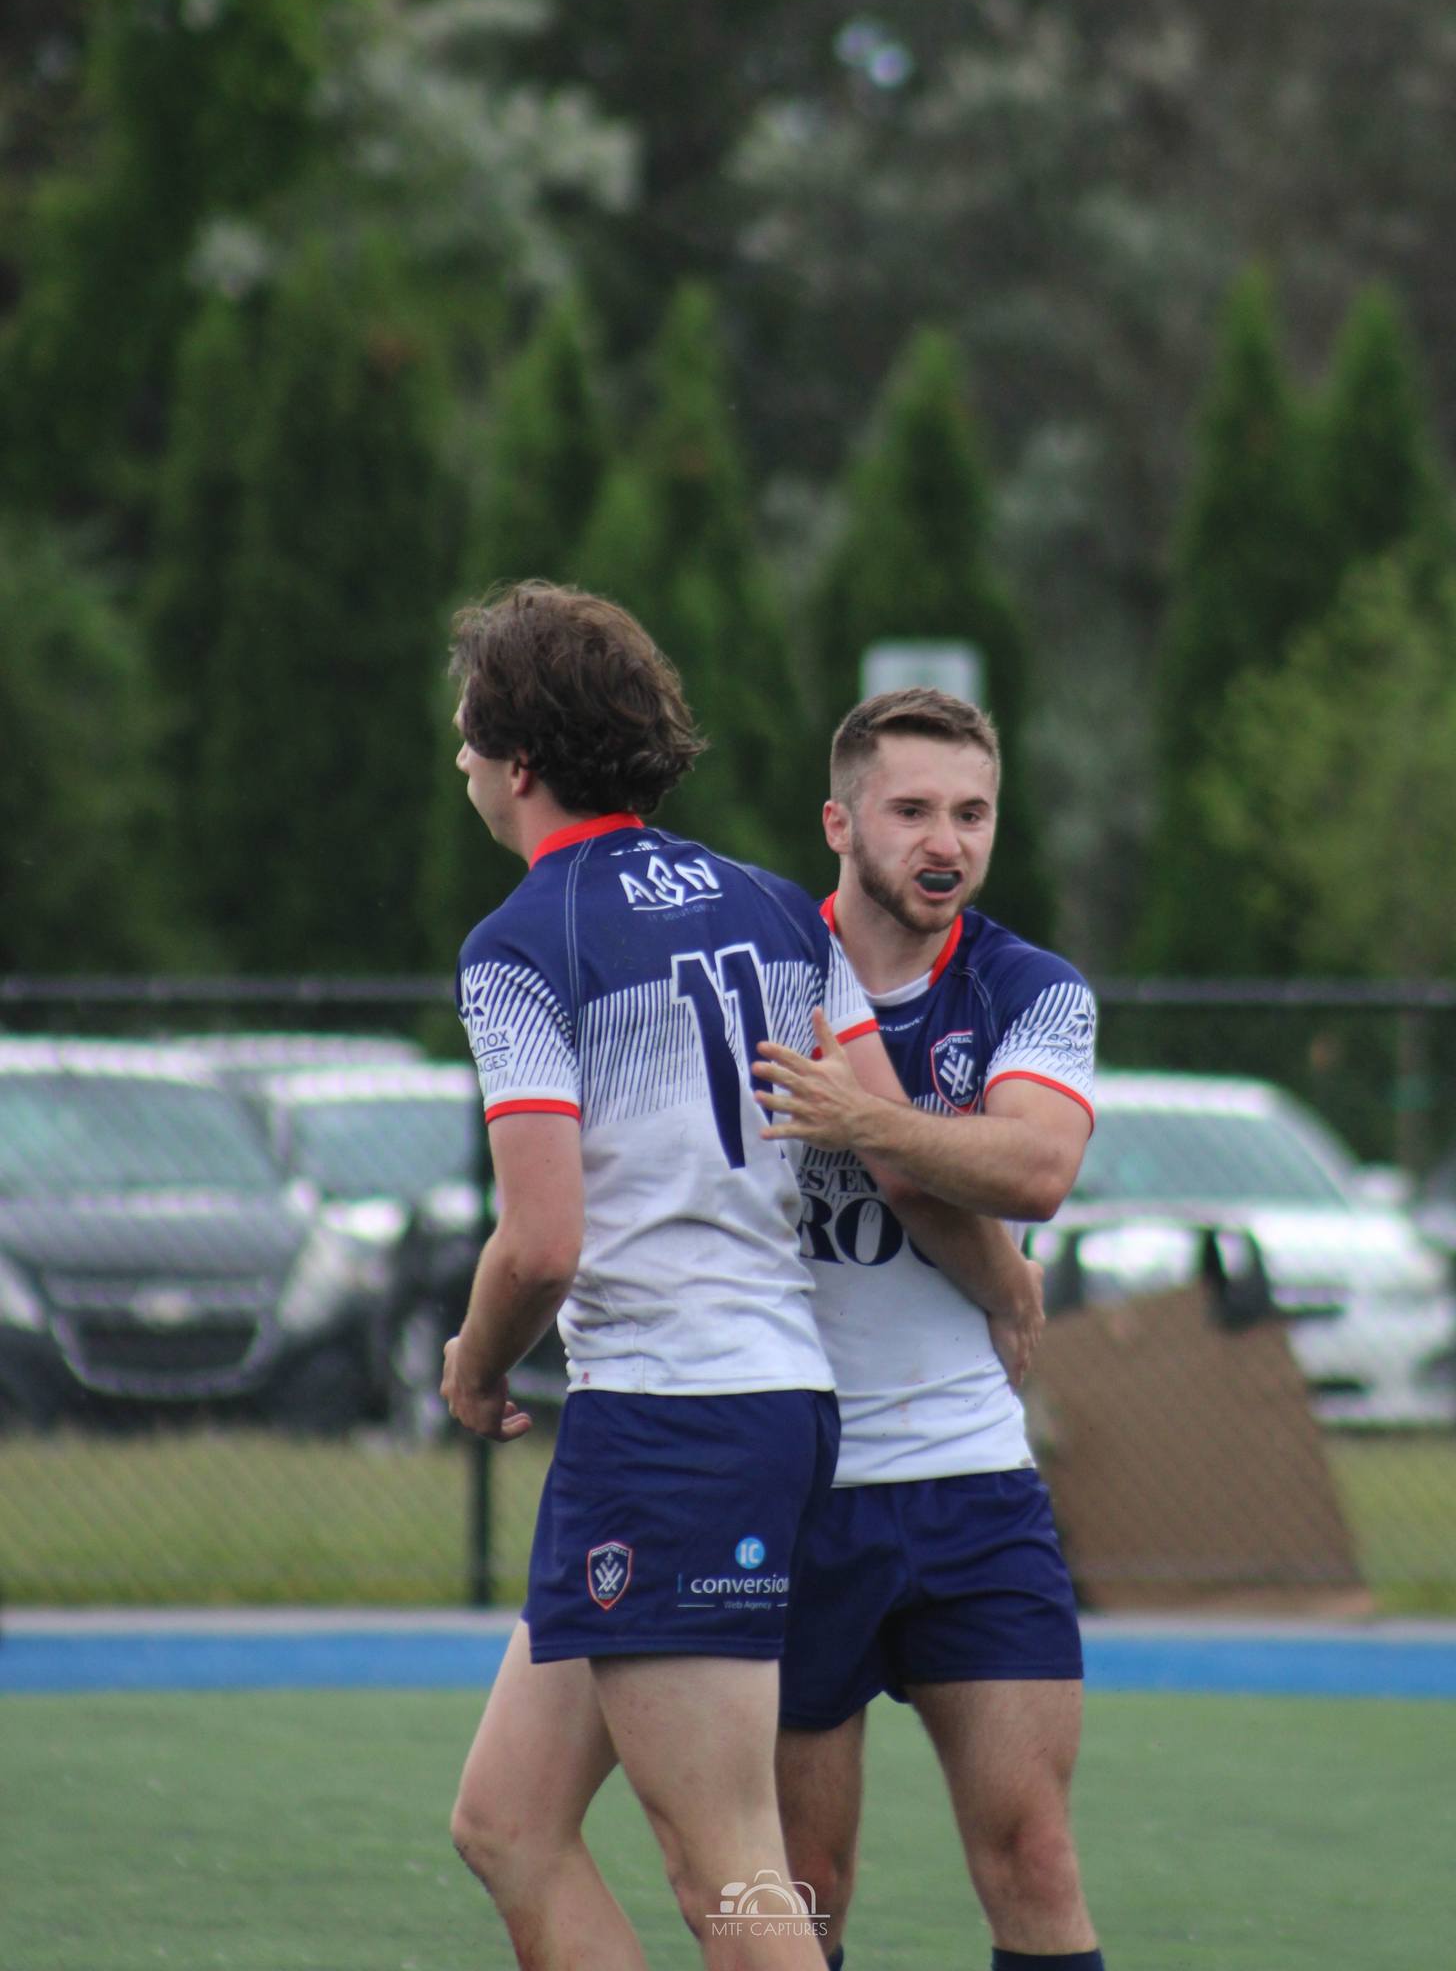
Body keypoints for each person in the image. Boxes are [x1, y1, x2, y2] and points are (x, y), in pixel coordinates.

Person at [437, 584, 1040, 1970]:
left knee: (733, 1881)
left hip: (673, 1425)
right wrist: (1008, 1285)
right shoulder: (773, 906)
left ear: (520, 760)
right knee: (507, 1821)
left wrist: (472, 1367)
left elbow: (539, 1243)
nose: (458, 758)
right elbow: (898, 1156)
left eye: (467, 733)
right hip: (759, 1409)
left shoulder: (521, 947)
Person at [751, 687, 1106, 1971]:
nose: (942, 841)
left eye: (971, 811)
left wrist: (870, 1124)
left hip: (973, 1484)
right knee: (801, 1889)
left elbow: (1035, 1168)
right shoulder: (763, 971)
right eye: (910, 811)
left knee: (1033, 1857)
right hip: (800, 1491)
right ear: (841, 819)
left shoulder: (1032, 988)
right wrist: (996, 1266)